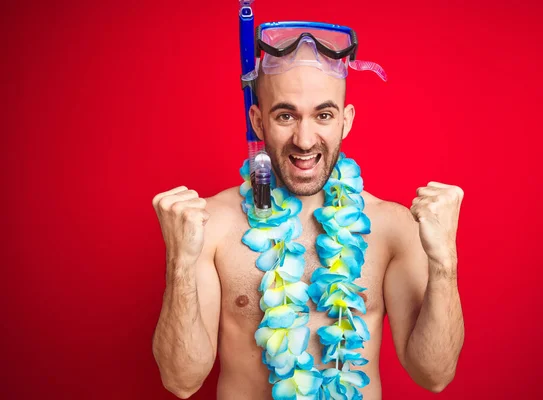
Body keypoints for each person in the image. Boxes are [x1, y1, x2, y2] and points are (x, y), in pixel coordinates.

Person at [151, 22, 465, 400]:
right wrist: (179, 264)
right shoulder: (211, 226)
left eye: (323, 115)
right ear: (257, 121)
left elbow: (435, 375)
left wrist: (445, 264)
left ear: (345, 121)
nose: (304, 139)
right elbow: (181, 381)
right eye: (286, 115)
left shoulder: (391, 227)